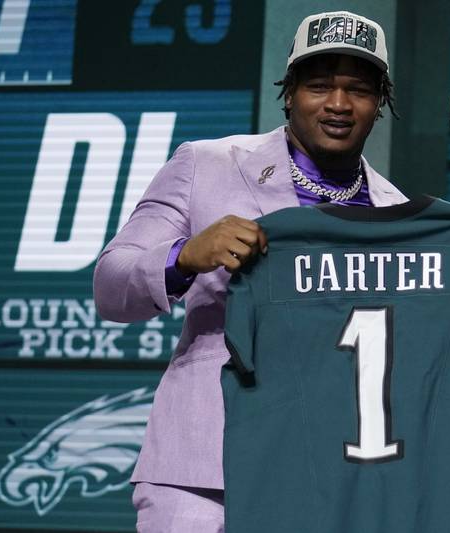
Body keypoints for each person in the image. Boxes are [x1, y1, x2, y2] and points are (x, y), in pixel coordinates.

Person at [93, 11, 406, 532]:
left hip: (326, 474)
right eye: (320, 85)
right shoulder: (206, 164)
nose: (338, 104)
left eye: (358, 89)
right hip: (204, 471)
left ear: (380, 105)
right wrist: (185, 255)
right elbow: (110, 285)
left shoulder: (394, 213)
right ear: (289, 92)